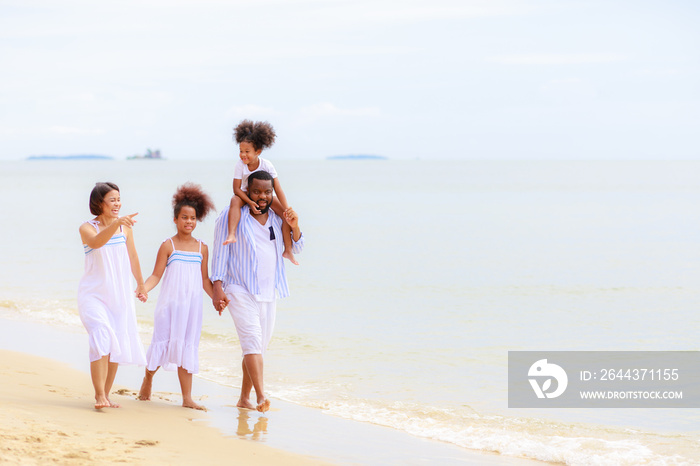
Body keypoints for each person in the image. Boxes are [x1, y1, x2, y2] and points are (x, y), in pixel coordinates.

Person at [211, 170, 304, 413]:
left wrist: (295, 226)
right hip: (239, 287)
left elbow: (297, 246)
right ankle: (262, 396)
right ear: (246, 191)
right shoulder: (232, 216)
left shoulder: (277, 217)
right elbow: (221, 252)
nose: (262, 197)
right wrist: (217, 287)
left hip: (268, 292)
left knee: (256, 348)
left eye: (267, 192)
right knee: (252, 341)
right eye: (256, 192)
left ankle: (244, 398)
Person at [137, 183, 218, 411]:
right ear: (175, 219)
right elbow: (156, 275)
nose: (189, 222)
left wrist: (215, 298)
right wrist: (144, 288)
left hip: (192, 309)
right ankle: (148, 378)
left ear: (197, 220)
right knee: (161, 342)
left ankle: (187, 398)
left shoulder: (202, 248)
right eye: (184, 217)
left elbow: (204, 280)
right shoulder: (168, 245)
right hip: (169, 306)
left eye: (192, 218)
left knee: (186, 347)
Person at [77, 182, 147, 409]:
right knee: (101, 334)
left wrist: (141, 284)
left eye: (119, 199)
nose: (117, 204)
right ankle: (99, 395)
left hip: (120, 295)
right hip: (93, 294)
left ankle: (106, 395)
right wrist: (116, 223)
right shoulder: (86, 228)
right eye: (112, 200)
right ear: (99, 203)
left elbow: (133, 256)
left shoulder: (126, 229)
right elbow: (97, 242)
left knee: (116, 341)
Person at [222, 119, 298, 265]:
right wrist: (250, 202)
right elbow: (236, 189)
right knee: (234, 200)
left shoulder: (267, 165)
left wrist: (287, 208)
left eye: (247, 152)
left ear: (258, 151)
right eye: (240, 151)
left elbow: (278, 188)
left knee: (284, 215)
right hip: (245, 194)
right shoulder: (240, 165)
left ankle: (288, 250)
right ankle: (232, 234)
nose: (243, 155)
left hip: (263, 194)